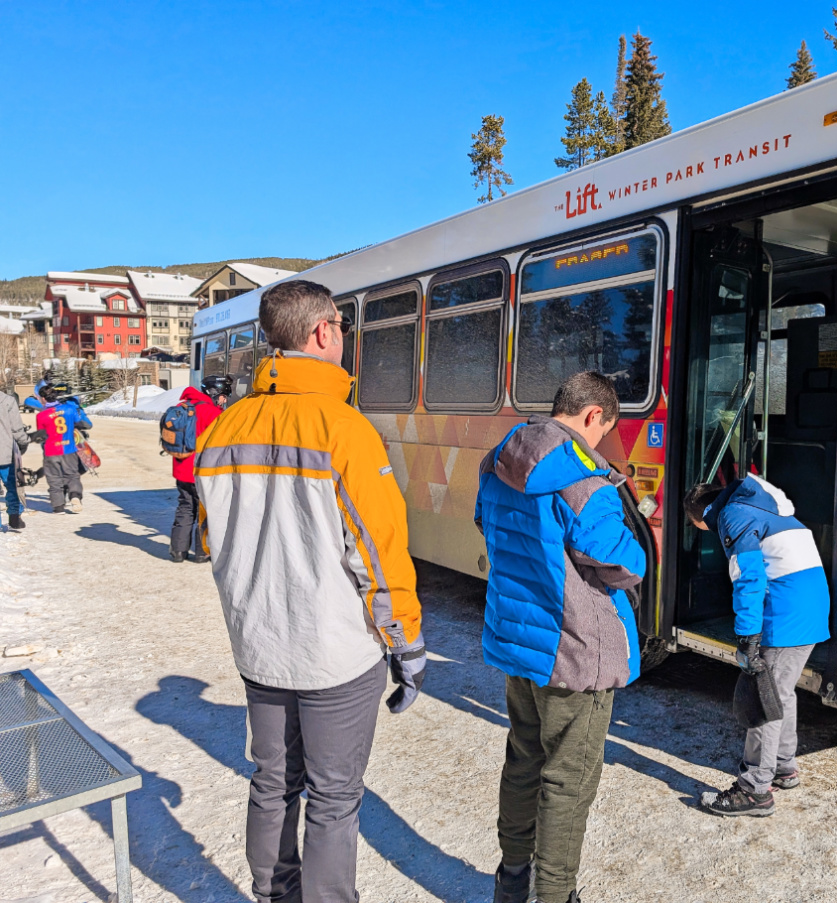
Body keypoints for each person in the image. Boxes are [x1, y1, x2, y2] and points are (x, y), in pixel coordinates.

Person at [193, 280, 424, 903]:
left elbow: (215, 539)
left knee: (270, 784)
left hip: (259, 648)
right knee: (333, 800)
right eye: (342, 329)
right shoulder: (344, 430)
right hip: (335, 656)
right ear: (323, 332)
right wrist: (405, 644)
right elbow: (376, 555)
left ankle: (274, 896)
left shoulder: (222, 429)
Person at [475, 370, 645, 903]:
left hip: (520, 643)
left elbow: (487, 522)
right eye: (603, 431)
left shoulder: (499, 459)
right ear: (592, 415)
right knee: (569, 780)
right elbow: (620, 562)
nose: (599, 443)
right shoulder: (584, 480)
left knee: (524, 759)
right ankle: (553, 894)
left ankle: (512, 880)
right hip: (574, 651)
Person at [684, 474, 831, 818]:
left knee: (762, 697)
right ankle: (782, 766)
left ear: (703, 515)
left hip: (786, 614)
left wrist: (748, 637)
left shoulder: (732, 515)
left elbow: (748, 577)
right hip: (809, 610)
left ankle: (755, 790)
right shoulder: (762, 508)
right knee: (781, 692)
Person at [168, 374, 230, 563]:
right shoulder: (212, 413)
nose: (224, 400)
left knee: (185, 507)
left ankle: (178, 552)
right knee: (206, 510)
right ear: (214, 393)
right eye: (223, 396)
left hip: (181, 470)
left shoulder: (182, 408)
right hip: (202, 472)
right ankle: (203, 552)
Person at [34, 383, 92, 514]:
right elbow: (80, 422)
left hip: (51, 451)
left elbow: (41, 435)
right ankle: (75, 496)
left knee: (54, 479)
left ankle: (58, 506)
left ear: (43, 399)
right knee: (72, 475)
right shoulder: (69, 409)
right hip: (69, 449)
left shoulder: (41, 416)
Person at [0, 390, 30, 530]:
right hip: (5, 452)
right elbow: (16, 429)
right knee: (12, 485)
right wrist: (24, 442)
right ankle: (14, 516)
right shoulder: (7, 400)